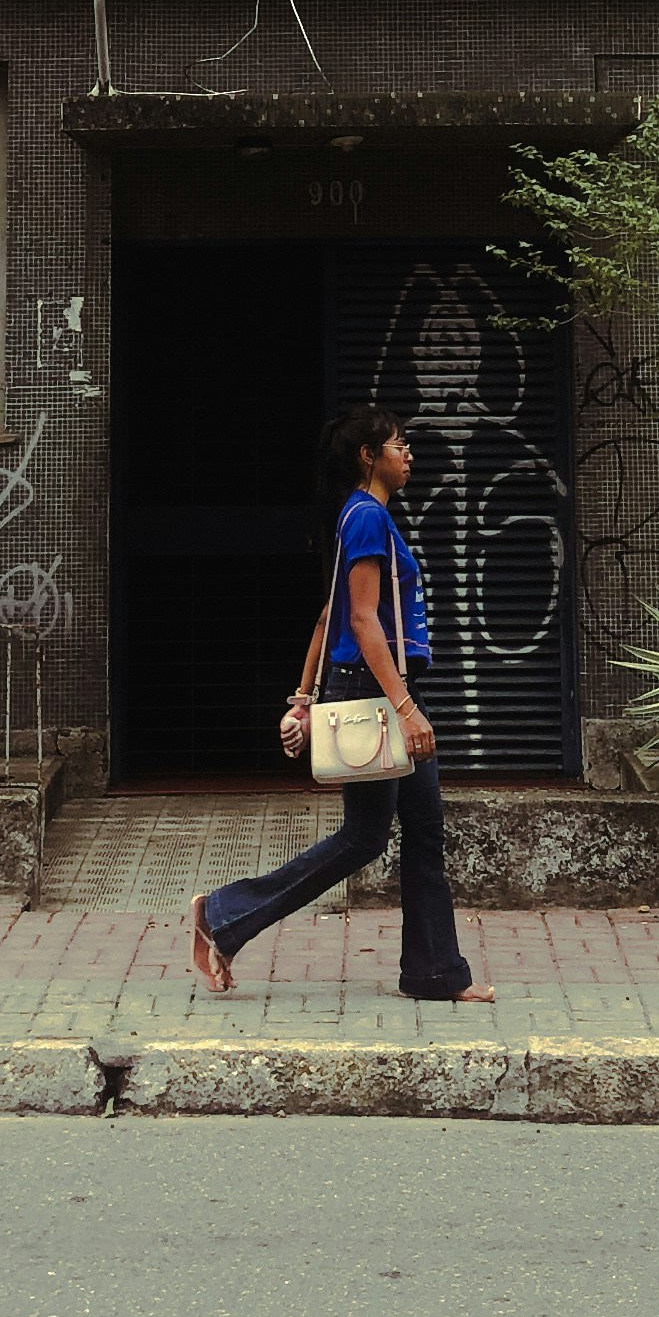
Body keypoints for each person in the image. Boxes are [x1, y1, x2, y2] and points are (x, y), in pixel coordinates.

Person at [189, 405, 493, 1005]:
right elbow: (357, 618)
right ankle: (223, 914)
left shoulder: (369, 518)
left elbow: (330, 615)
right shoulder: (366, 519)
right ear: (368, 455)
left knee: (400, 832)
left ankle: (434, 972)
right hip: (378, 691)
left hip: (374, 684)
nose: (409, 455)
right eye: (399, 445)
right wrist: (406, 708)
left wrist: (302, 698)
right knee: (371, 835)